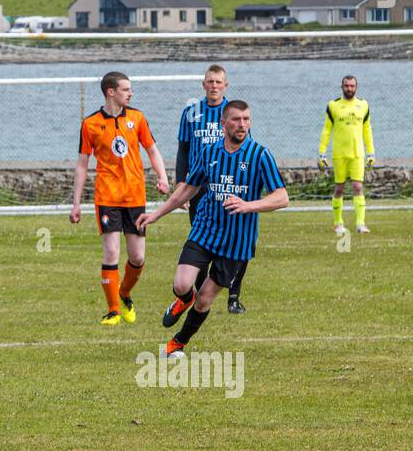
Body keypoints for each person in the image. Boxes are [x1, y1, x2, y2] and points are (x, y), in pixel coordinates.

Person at [137, 100, 288, 355]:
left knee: (205, 298)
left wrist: (249, 205)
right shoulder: (209, 153)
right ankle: (183, 300)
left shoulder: (260, 155)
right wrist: (156, 214)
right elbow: (186, 190)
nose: (242, 125)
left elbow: (282, 197)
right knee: (183, 284)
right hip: (205, 230)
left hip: (237, 241)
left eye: (247, 120)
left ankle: (177, 344)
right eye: (237, 120)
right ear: (223, 123)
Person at [70, 71, 170, 326]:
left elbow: (152, 149)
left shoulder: (137, 118)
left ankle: (124, 293)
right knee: (111, 251)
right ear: (111, 91)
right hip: (107, 197)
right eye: (126, 89)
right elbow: (82, 164)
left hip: (135, 197)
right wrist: (76, 203)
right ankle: (113, 310)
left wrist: (162, 176)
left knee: (137, 257)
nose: (131, 93)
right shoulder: (90, 124)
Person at [177, 64, 248, 314]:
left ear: (225, 85)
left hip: (228, 186)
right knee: (201, 240)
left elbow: (246, 149)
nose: (214, 86)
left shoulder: (235, 114)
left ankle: (234, 297)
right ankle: (200, 293)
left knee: (236, 242)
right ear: (203, 84)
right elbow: (183, 150)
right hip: (199, 188)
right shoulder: (191, 113)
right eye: (210, 82)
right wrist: (180, 183)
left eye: (218, 82)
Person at [318, 75, 375, 235]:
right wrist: (322, 153)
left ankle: (360, 224)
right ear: (342, 87)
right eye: (346, 85)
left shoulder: (363, 105)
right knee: (339, 189)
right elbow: (327, 130)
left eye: (352, 86)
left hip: (357, 154)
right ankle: (338, 224)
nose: (349, 88)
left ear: (356, 87)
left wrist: (371, 152)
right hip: (339, 154)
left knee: (358, 187)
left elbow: (367, 129)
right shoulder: (333, 106)